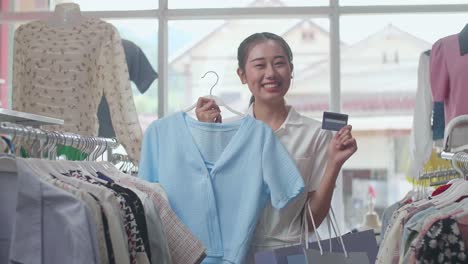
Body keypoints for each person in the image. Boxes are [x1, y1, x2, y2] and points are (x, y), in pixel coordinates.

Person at [195, 32, 358, 262]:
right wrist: (208, 136)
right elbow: (208, 208)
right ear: (242, 75)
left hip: (290, 256)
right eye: (259, 65)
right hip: (234, 256)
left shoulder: (315, 134)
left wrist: (334, 164)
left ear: (291, 70)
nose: (270, 73)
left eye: (279, 63)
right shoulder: (225, 133)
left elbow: (310, 222)